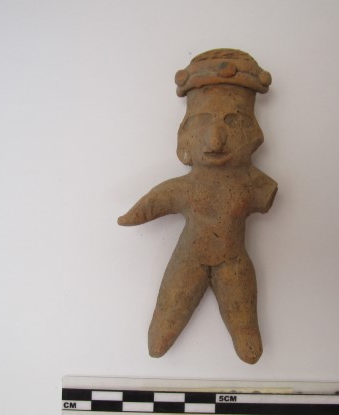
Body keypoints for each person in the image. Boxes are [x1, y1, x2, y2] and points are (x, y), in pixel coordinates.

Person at [118, 49, 277, 364]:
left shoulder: (255, 184)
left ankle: (246, 339)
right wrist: (132, 216)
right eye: (203, 124)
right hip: (188, 260)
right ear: (186, 136)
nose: (216, 139)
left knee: (247, 339)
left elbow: (154, 201)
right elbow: (156, 201)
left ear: (253, 135)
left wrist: (133, 215)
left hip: (233, 263)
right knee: (161, 335)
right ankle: (163, 336)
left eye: (233, 123)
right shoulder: (188, 187)